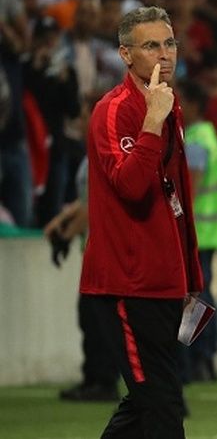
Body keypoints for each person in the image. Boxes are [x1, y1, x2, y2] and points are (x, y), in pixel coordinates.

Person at [80, 6, 203, 438]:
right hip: (127, 285)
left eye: (169, 43)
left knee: (146, 402)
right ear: (125, 55)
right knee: (162, 406)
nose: (164, 54)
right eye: (151, 45)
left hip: (163, 281)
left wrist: (189, 274)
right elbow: (130, 187)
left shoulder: (169, 105)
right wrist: (152, 120)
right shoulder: (115, 111)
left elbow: (177, 197)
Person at [47, 158, 120, 403]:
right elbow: (86, 199)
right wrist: (61, 222)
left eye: (80, 117)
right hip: (97, 251)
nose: (78, 123)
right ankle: (94, 378)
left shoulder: (102, 151)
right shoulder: (93, 153)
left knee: (96, 318)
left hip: (105, 252)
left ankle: (103, 380)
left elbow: (93, 204)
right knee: (89, 316)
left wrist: (66, 235)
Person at [180, 79, 217, 382]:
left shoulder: (196, 139)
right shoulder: (208, 135)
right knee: (204, 294)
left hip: (199, 230)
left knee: (197, 297)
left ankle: (200, 357)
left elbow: (190, 188)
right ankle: (205, 358)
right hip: (211, 230)